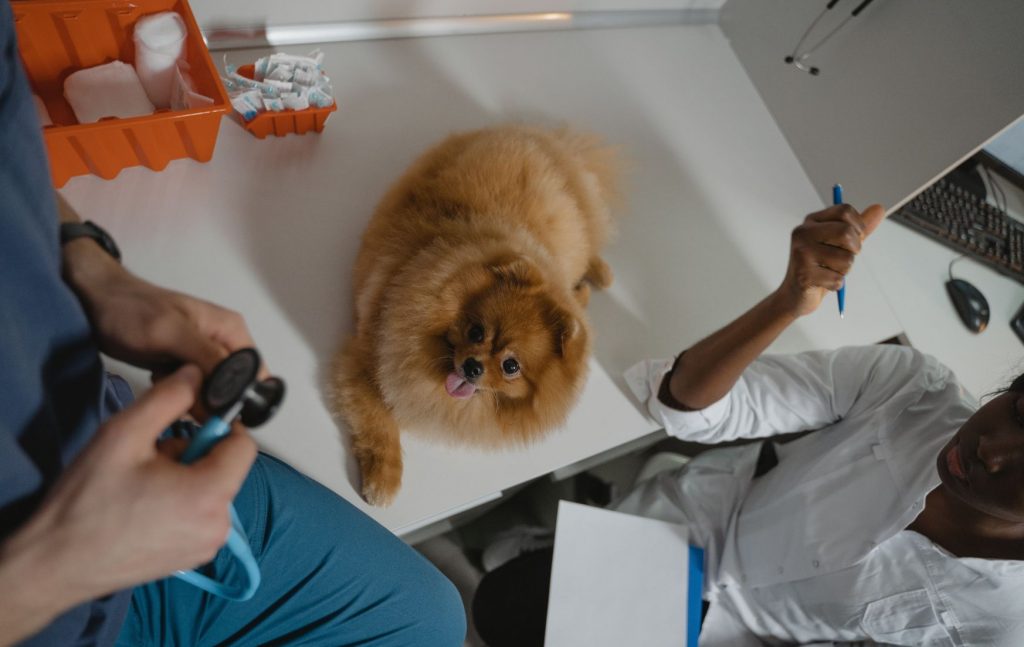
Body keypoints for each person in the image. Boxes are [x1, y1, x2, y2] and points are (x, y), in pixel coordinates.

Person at [0, 3, 465, 645]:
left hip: (109, 462)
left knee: (425, 619)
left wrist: (91, 268)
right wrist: (59, 566)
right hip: (37, 595)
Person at [473, 200, 1024, 646]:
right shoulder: (916, 390)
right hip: (705, 526)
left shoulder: (1005, 624)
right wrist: (787, 301)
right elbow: (686, 406)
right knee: (504, 605)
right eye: (1019, 412)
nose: (992, 449)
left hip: (745, 633)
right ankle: (555, 538)